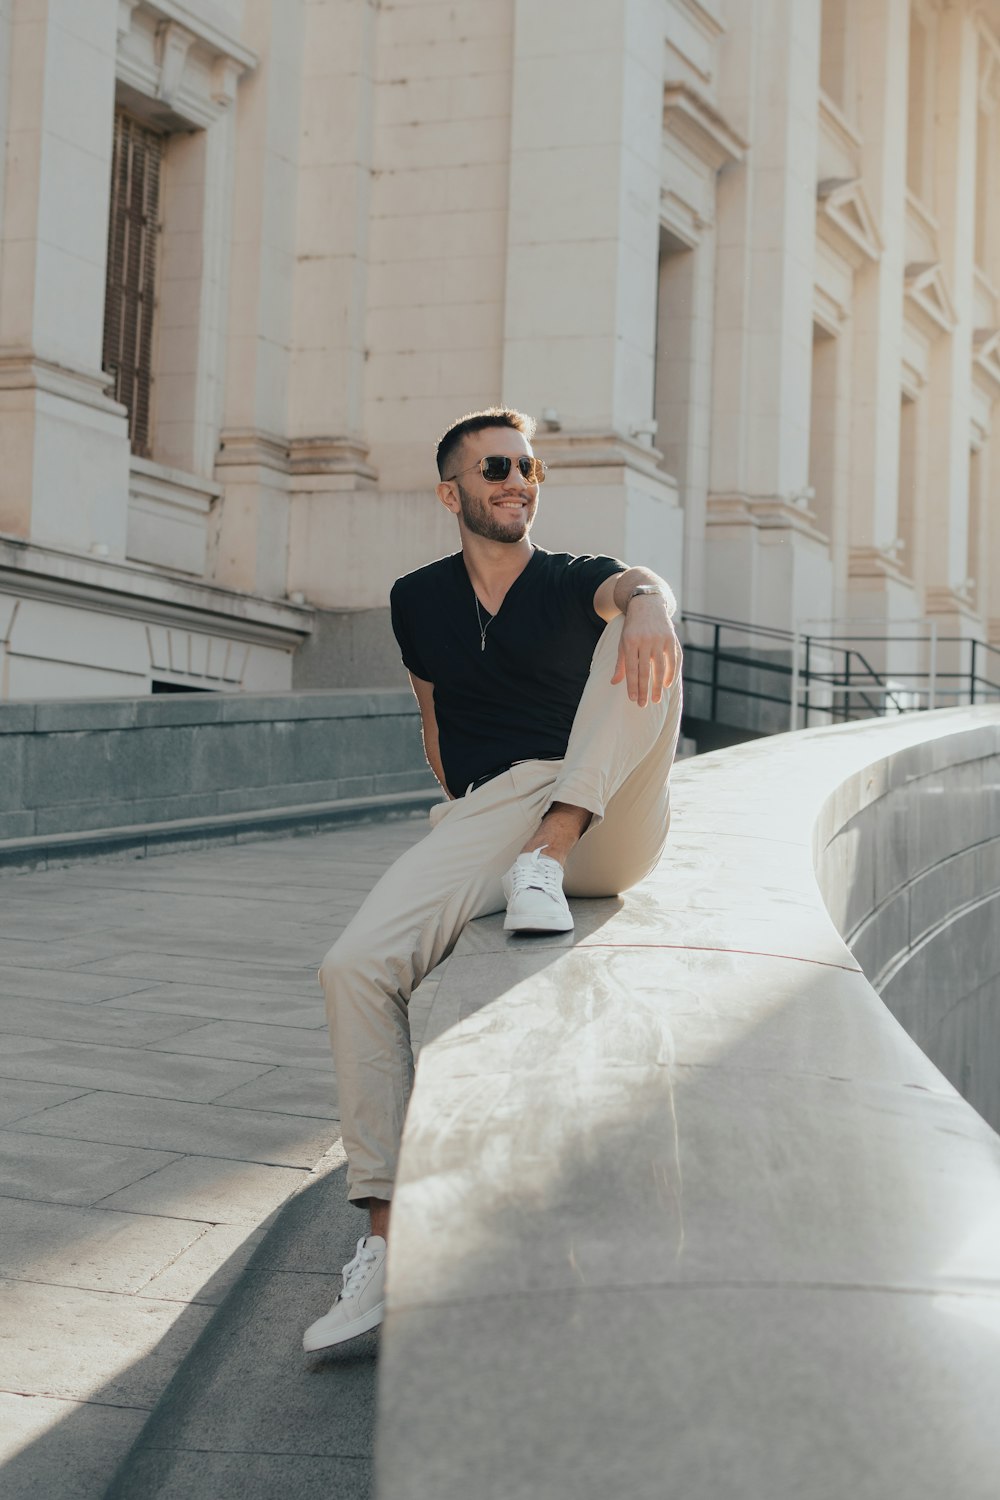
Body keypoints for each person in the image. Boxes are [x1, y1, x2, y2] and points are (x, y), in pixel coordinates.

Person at [303, 406, 682, 1354]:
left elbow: (635, 585)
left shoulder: (571, 579)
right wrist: (461, 822)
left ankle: (543, 861)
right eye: (496, 469)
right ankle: (387, 1247)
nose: (517, 481)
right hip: (491, 806)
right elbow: (432, 720)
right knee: (353, 968)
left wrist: (651, 600)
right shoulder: (417, 599)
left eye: (528, 468)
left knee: (646, 647)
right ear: (452, 492)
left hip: (601, 812)